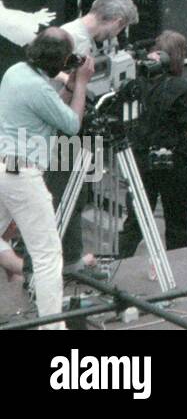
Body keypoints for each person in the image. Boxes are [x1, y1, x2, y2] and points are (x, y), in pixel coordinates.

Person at [0, 29, 93, 327]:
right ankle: (53, 327)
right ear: (60, 61)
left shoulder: (16, 72)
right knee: (48, 255)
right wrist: (81, 84)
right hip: (22, 173)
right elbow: (71, 124)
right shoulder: (40, 88)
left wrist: (68, 85)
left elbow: (49, 106)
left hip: (2, 165)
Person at [47, 0, 138, 273]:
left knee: (81, 195)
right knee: (65, 195)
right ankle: (65, 261)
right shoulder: (70, 38)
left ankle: (71, 257)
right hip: (63, 130)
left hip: (78, 126)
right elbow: (50, 74)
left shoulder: (81, 39)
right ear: (116, 20)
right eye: (120, 28)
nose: (116, 35)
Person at [117, 31, 187, 257]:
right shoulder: (180, 87)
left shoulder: (136, 83)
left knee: (136, 221)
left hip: (141, 161)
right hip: (174, 165)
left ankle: (119, 267)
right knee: (178, 222)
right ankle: (177, 269)